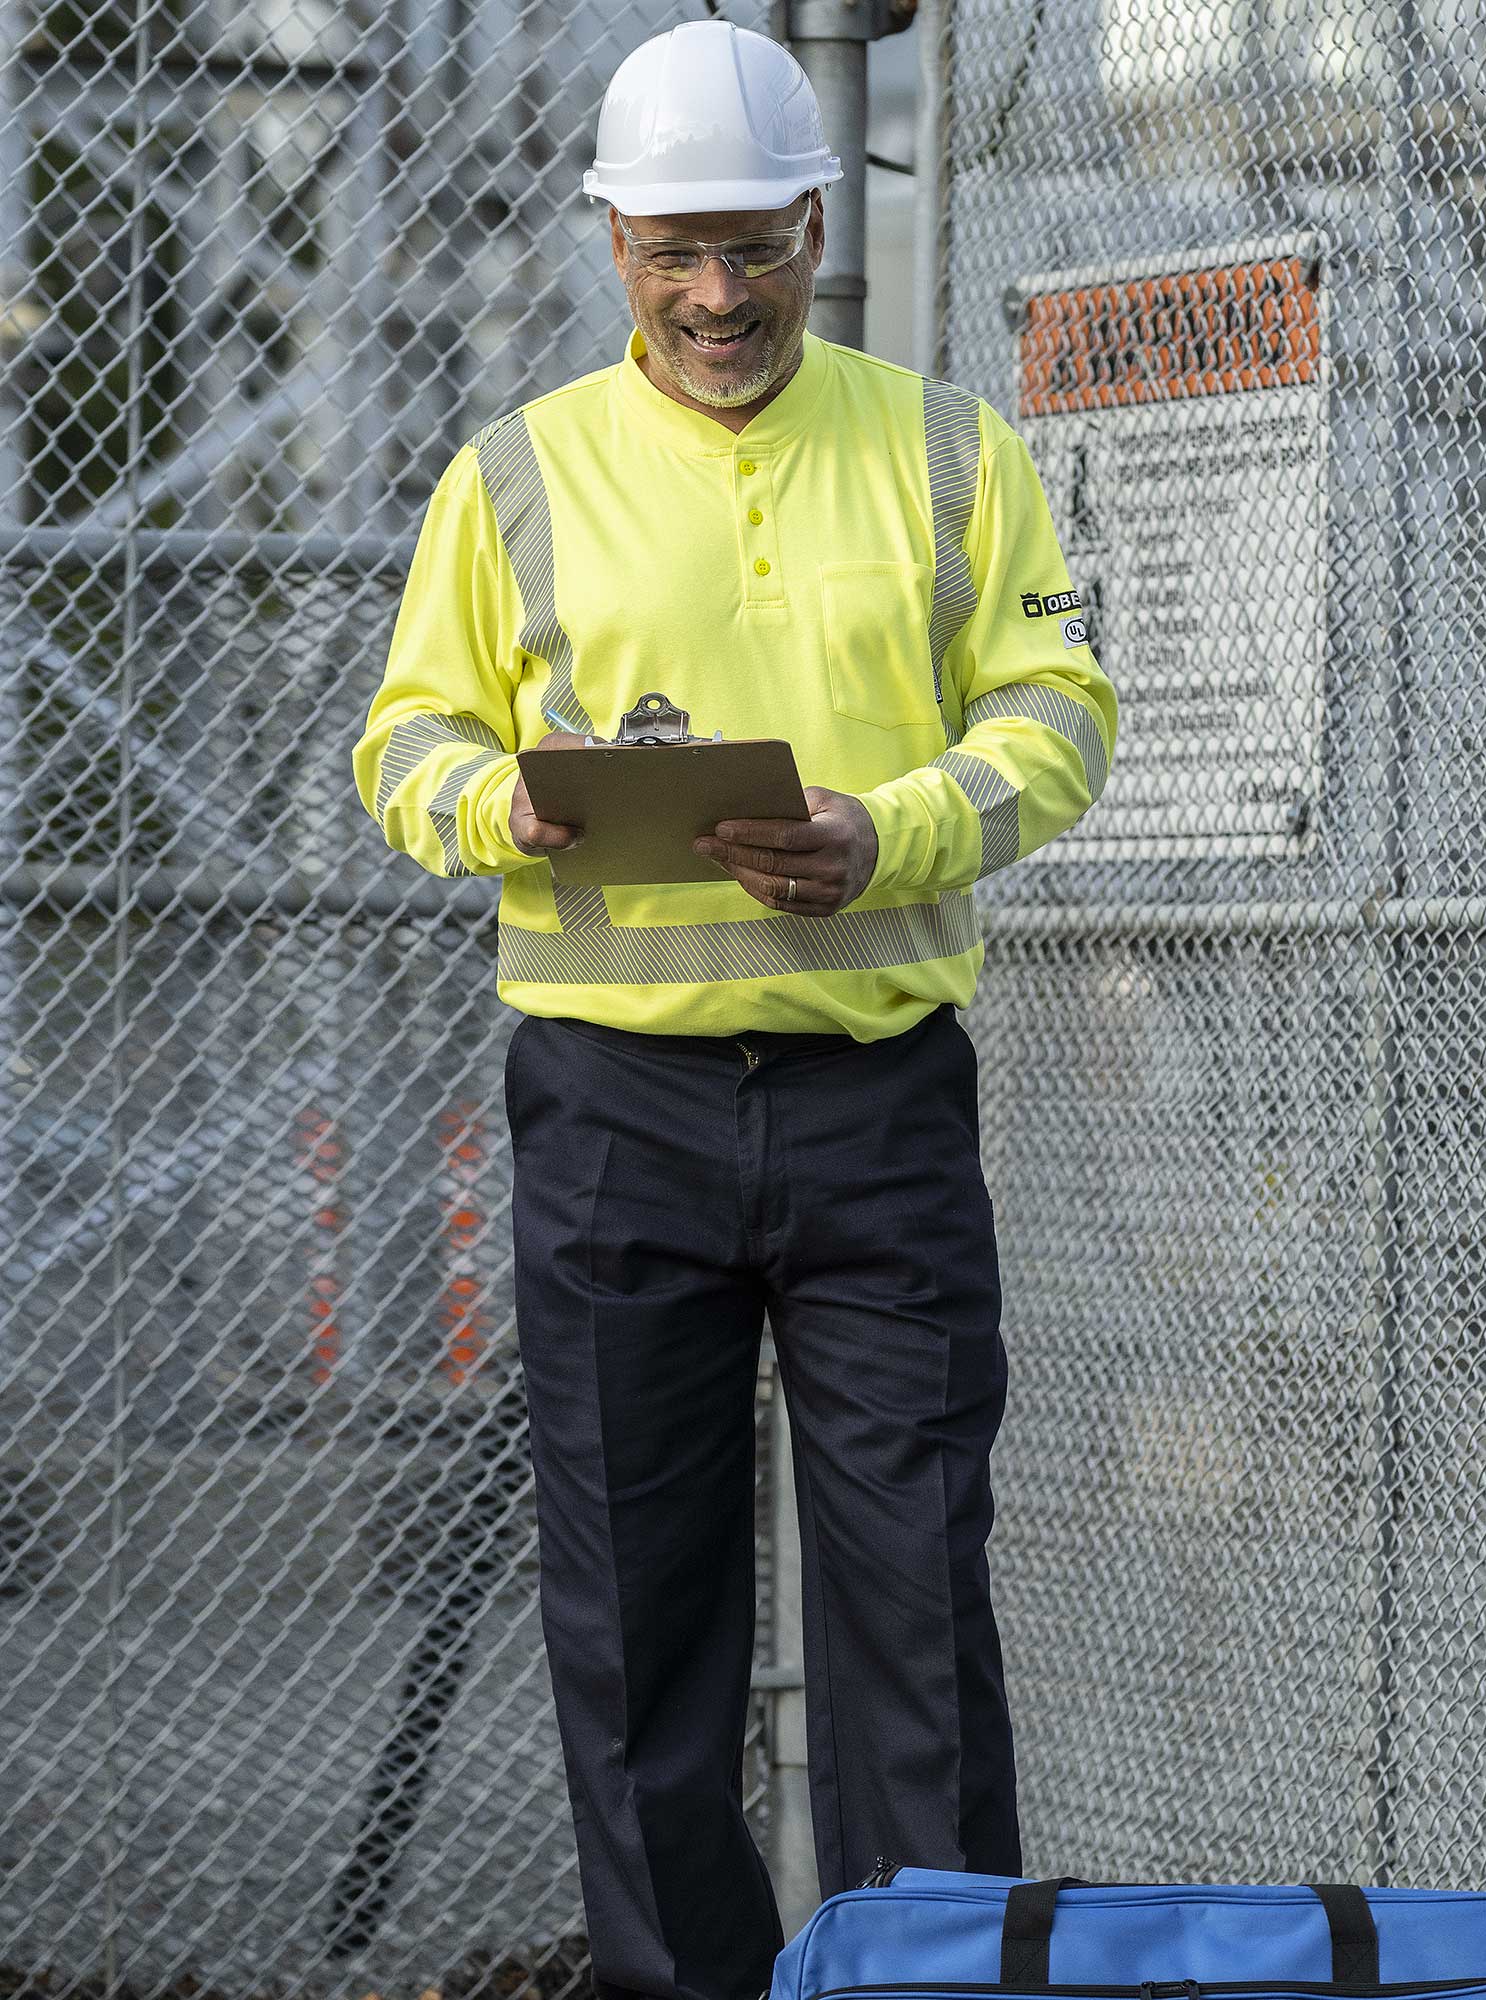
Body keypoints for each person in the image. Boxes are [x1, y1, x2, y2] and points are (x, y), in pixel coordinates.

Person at [349, 20, 1118, 2000]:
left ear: (812, 218)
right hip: (613, 1116)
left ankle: (919, 1985)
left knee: (915, 1619)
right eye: (671, 251)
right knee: (635, 1623)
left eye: (751, 249)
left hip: (879, 1109)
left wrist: (896, 830)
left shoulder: (949, 452)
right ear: (613, 239)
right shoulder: (508, 479)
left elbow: (1058, 716)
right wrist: (493, 798)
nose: (713, 295)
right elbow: (403, 738)